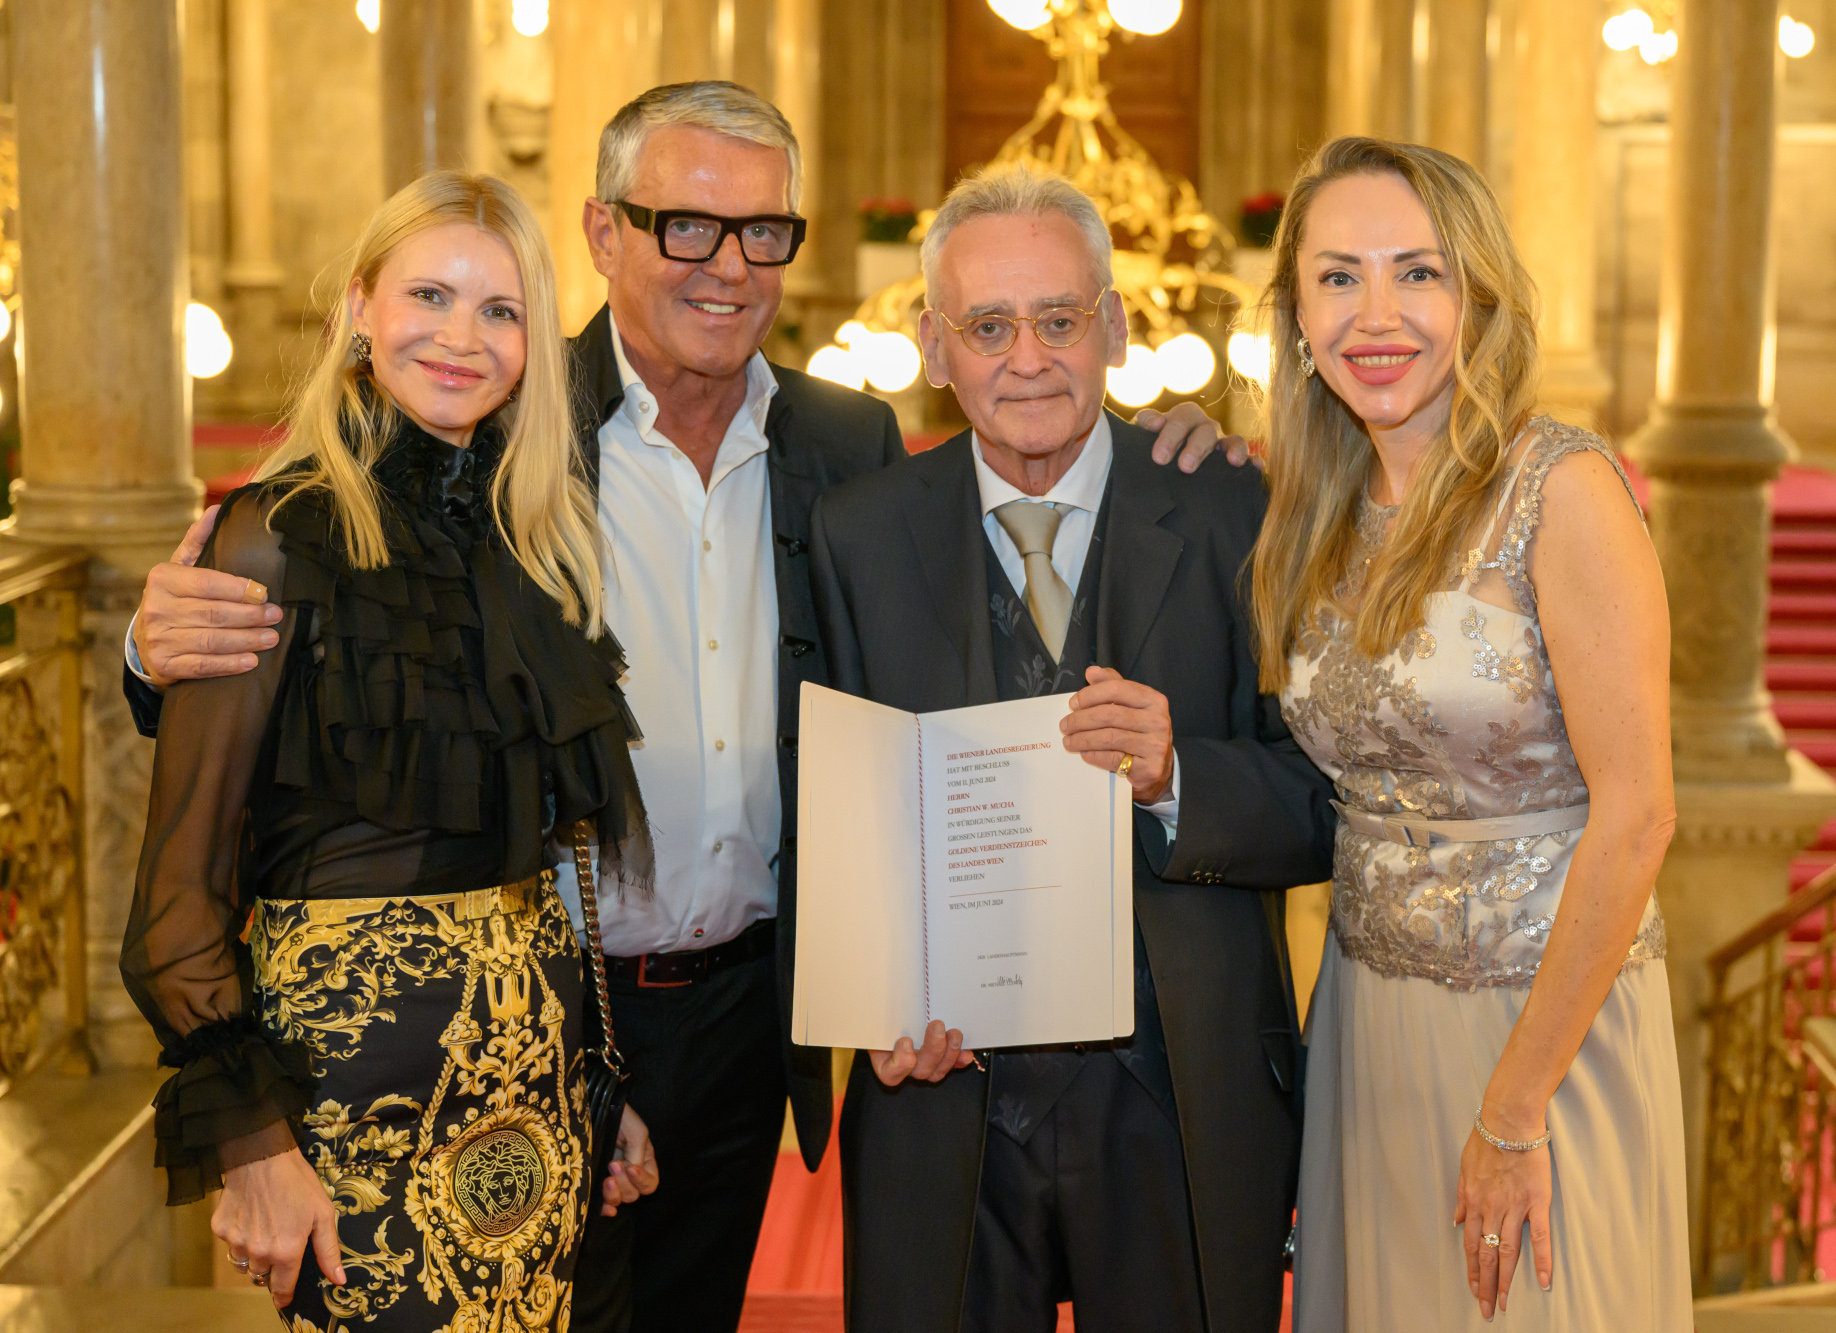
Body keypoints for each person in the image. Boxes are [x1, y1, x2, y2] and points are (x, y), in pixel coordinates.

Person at [119, 82, 1245, 1332]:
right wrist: (150, 646)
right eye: (686, 226)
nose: (728, 265)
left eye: (764, 231)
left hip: (754, 1009)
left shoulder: (846, 441)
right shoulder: (504, 421)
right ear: (603, 233)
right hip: (550, 999)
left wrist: (1167, 437)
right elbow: (362, 618)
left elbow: (918, 704)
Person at [118, 171, 660, 1331]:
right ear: (359, 306)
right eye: (429, 294)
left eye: (501, 309)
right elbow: (175, 904)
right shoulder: (273, 534)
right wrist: (255, 1148)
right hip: (353, 1105)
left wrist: (595, 1079)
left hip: (537, 1097)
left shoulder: (530, 544)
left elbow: (540, 865)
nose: (462, 337)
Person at [809, 164, 1336, 1333]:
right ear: (933, 347)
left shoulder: (1234, 511)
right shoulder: (857, 535)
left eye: (1058, 319)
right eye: (987, 326)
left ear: (1114, 326)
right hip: (944, 1097)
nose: (1027, 359)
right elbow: (832, 813)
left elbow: (1326, 801)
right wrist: (870, 1001)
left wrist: (1178, 777)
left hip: (1179, 1095)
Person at [1252, 137, 1693, 1331]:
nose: (1374, 315)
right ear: (1294, 313)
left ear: (1479, 295)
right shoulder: (1312, 506)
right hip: (1364, 1018)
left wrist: (1511, 1109)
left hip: (1538, 1034)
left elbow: (1638, 815)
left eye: (1418, 272)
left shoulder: (1560, 490)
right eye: (1337, 277)